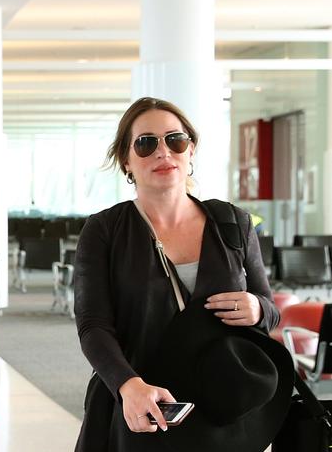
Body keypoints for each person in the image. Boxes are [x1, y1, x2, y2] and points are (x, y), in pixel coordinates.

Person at [73, 96, 284, 451]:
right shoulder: (105, 230)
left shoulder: (233, 223)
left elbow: (271, 310)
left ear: (191, 151)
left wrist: (258, 308)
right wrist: (128, 385)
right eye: (146, 143)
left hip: (221, 406)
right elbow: (93, 325)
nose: (163, 152)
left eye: (175, 139)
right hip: (145, 406)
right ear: (126, 159)